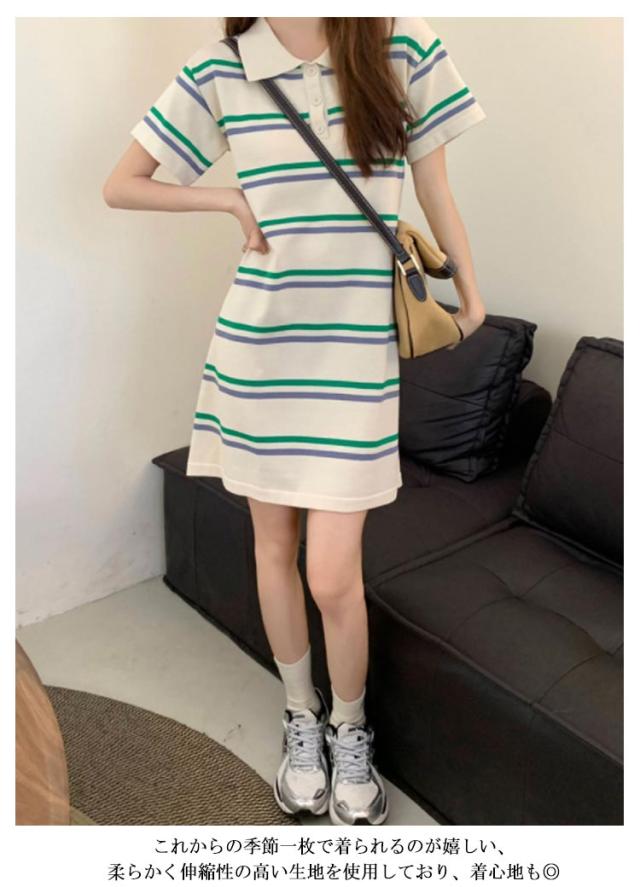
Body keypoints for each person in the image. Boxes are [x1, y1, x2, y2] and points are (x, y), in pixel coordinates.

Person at [103, 16, 487, 826]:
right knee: (273, 549)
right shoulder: (222, 67)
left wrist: (471, 291)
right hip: (259, 352)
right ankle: (300, 718)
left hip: (355, 358)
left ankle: (351, 728)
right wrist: (226, 198)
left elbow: (434, 184)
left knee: (333, 574)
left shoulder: (399, 44)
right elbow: (122, 182)